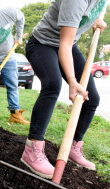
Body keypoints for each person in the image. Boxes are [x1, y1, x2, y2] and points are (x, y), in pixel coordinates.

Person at [20, 0, 106, 179]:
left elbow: (90, 10)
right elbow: (64, 44)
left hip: (68, 45)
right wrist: (73, 81)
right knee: (52, 85)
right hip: (42, 44)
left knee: (92, 98)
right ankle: (33, 148)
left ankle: (74, 146)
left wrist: (97, 18)